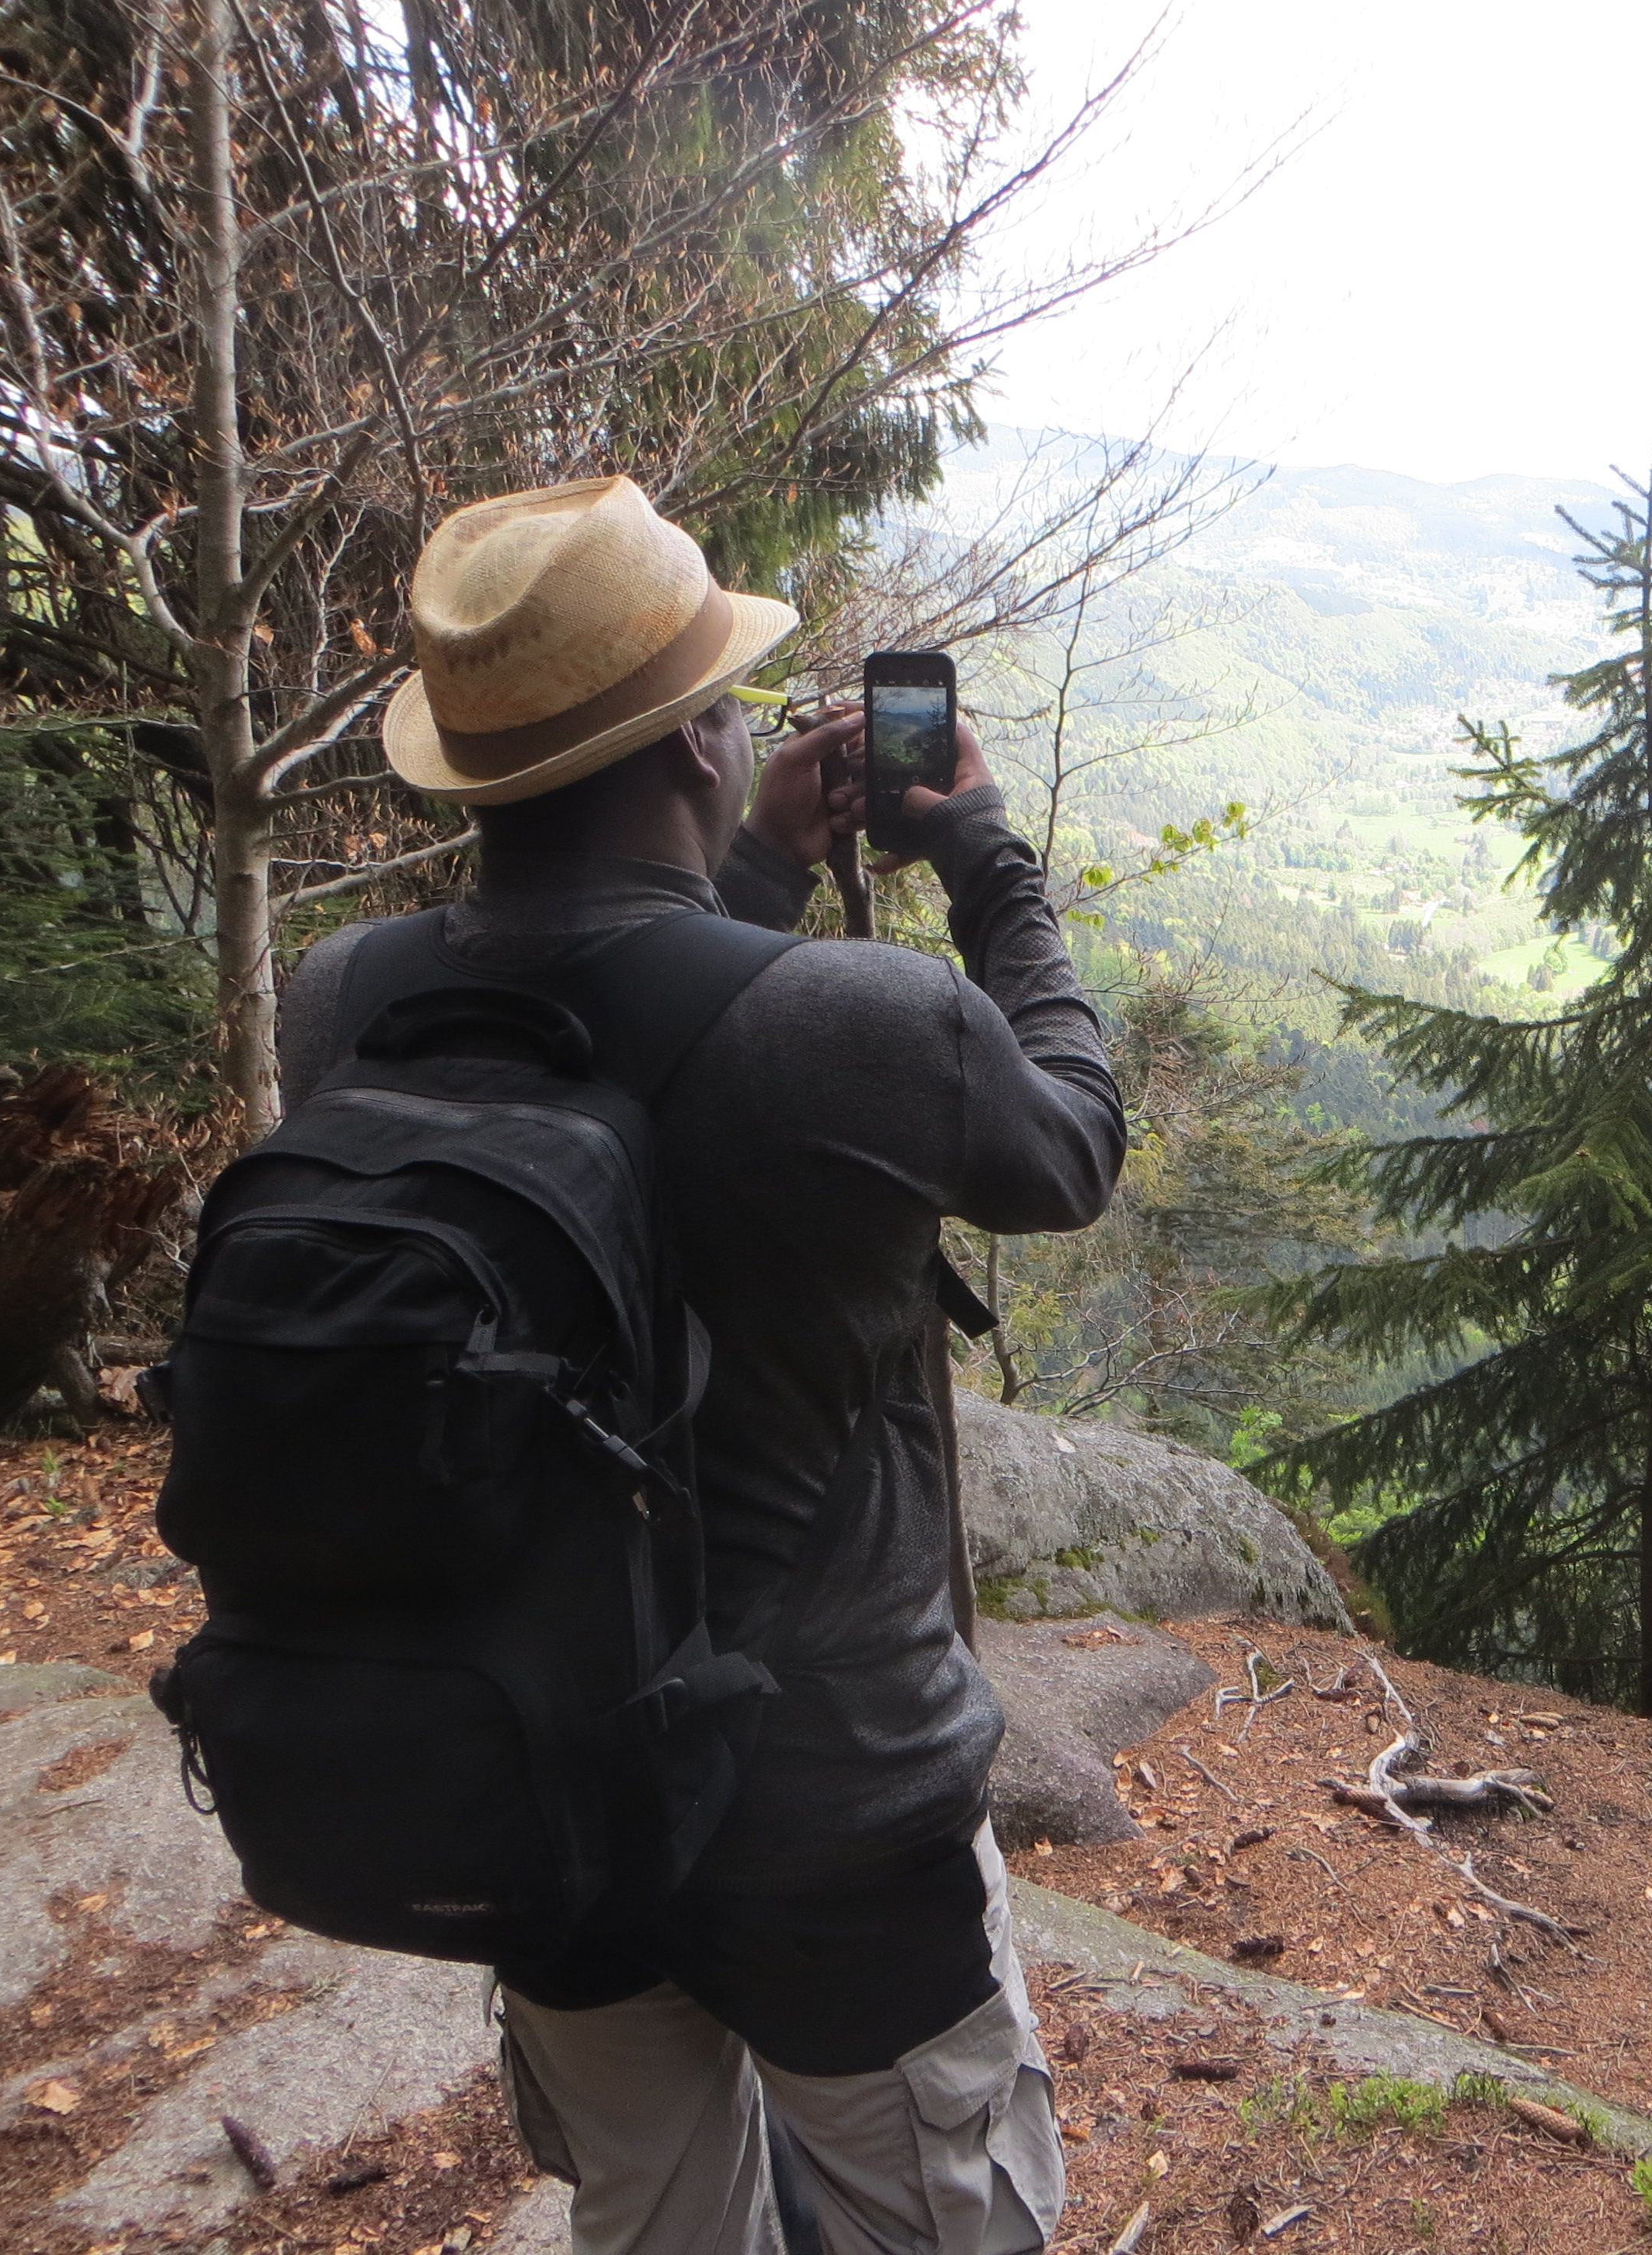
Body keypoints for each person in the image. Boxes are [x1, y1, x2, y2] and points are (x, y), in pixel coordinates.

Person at [278, 476, 1123, 2255]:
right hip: (834, 1807)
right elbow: (1069, 1147)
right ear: (697, 746)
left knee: (659, 2220)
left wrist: (746, 869)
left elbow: (604, 1066)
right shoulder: (864, 1027)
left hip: (533, 1781)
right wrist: (984, 856)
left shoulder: (342, 1000)